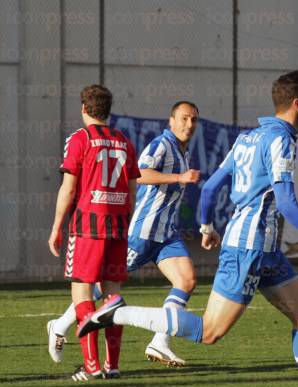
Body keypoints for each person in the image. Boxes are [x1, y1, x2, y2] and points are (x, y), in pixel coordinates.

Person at [77, 71, 298, 387]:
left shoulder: (249, 138)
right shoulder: (281, 140)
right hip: (247, 248)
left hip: (266, 250)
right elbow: (286, 200)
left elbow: (209, 187)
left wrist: (206, 225)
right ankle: (119, 312)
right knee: (209, 332)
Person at [47, 101, 201, 367]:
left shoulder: (183, 151)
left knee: (187, 280)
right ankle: (59, 326)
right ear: (171, 121)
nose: (189, 125)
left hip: (165, 234)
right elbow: (139, 174)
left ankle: (159, 343)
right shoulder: (161, 145)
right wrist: (178, 178)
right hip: (141, 232)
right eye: (184, 119)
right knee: (100, 290)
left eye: (194, 120)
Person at [48, 84, 140, 381]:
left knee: (82, 294)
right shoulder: (125, 141)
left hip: (87, 227)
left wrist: (56, 227)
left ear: (84, 109)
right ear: (107, 111)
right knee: (113, 297)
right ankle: (112, 367)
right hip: (117, 227)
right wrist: (124, 219)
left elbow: (69, 187)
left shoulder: (80, 138)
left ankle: (91, 366)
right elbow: (131, 190)